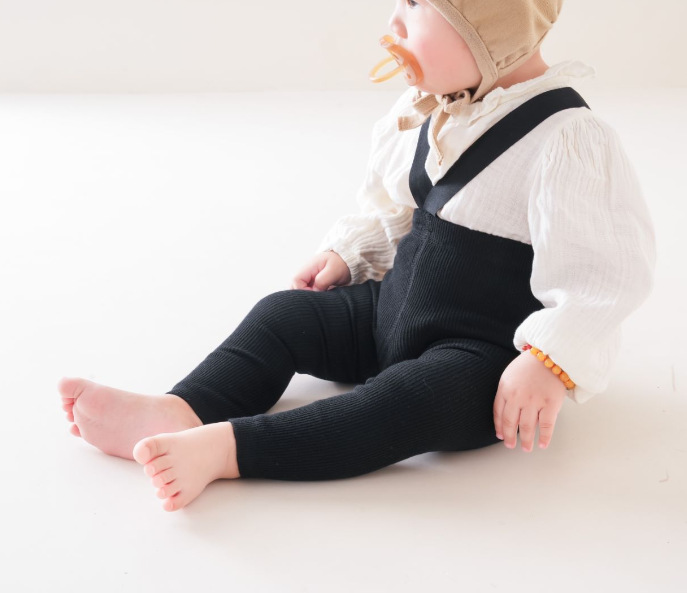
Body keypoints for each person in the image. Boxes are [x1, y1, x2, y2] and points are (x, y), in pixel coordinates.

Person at [58, 0, 656, 512]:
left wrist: (548, 361)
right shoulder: (430, 110)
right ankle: (185, 407)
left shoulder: (565, 139)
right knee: (282, 314)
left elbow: (604, 273)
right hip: (392, 311)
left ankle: (227, 450)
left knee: (403, 403)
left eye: (418, 6)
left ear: (490, 32)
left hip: (478, 357)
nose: (394, 23)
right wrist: (350, 254)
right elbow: (397, 206)